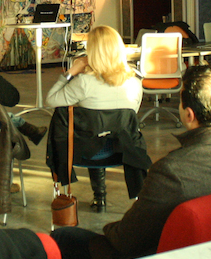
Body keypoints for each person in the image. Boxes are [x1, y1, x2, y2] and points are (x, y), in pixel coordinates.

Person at [51, 65, 211, 259]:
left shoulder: (173, 171)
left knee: (62, 239)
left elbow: (126, 239)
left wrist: (108, 228)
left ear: (189, 115)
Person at [46, 25, 142, 212]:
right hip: (123, 150)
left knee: (93, 131)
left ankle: (99, 198)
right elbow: (131, 117)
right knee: (104, 130)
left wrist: (71, 72)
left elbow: (51, 100)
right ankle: (101, 197)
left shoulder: (83, 83)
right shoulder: (135, 83)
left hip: (86, 151)